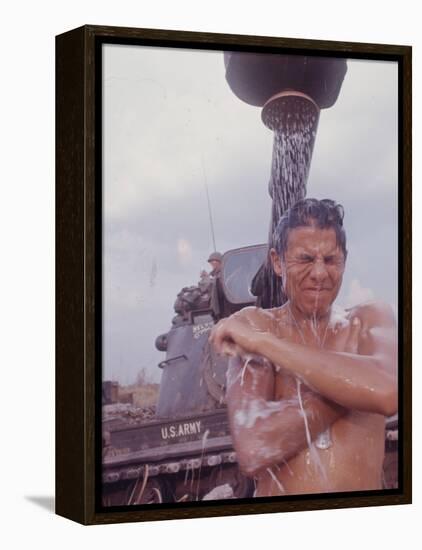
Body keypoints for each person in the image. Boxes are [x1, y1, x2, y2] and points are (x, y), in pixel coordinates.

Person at [209, 198, 397, 496]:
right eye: (306, 259)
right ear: (277, 262)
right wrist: (355, 390)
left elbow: (388, 392)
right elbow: (255, 446)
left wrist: (266, 345)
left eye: (331, 260)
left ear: (344, 261)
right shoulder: (256, 322)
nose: (320, 273)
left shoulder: (369, 318)